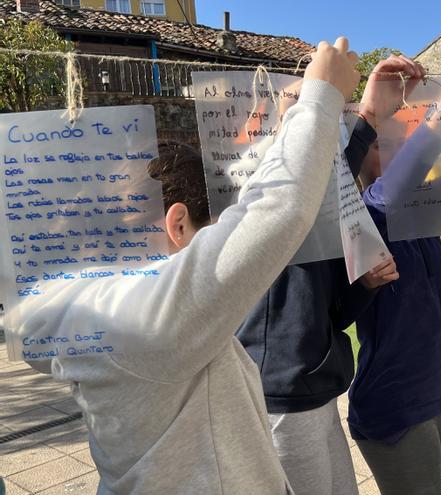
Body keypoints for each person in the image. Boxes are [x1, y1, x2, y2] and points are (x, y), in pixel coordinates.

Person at [18, 37, 361, 494]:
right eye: (210, 230)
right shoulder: (145, 318)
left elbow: (250, 206)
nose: (217, 240)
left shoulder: (80, 306)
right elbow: (273, 213)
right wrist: (321, 96)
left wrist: (284, 127)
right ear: (177, 223)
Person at [234, 55, 421, 495]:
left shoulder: (318, 206)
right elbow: (305, 178)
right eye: (302, 111)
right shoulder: (254, 203)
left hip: (317, 387)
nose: (318, 125)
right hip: (279, 394)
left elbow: (332, 311)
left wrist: (365, 286)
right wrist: (364, 117)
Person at [346, 47, 441, 495]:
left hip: (436, 391)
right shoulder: (367, 214)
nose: (399, 146)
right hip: (394, 403)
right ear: (362, 154)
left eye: (404, 136)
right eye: (383, 141)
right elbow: (397, 184)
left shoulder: (425, 208)